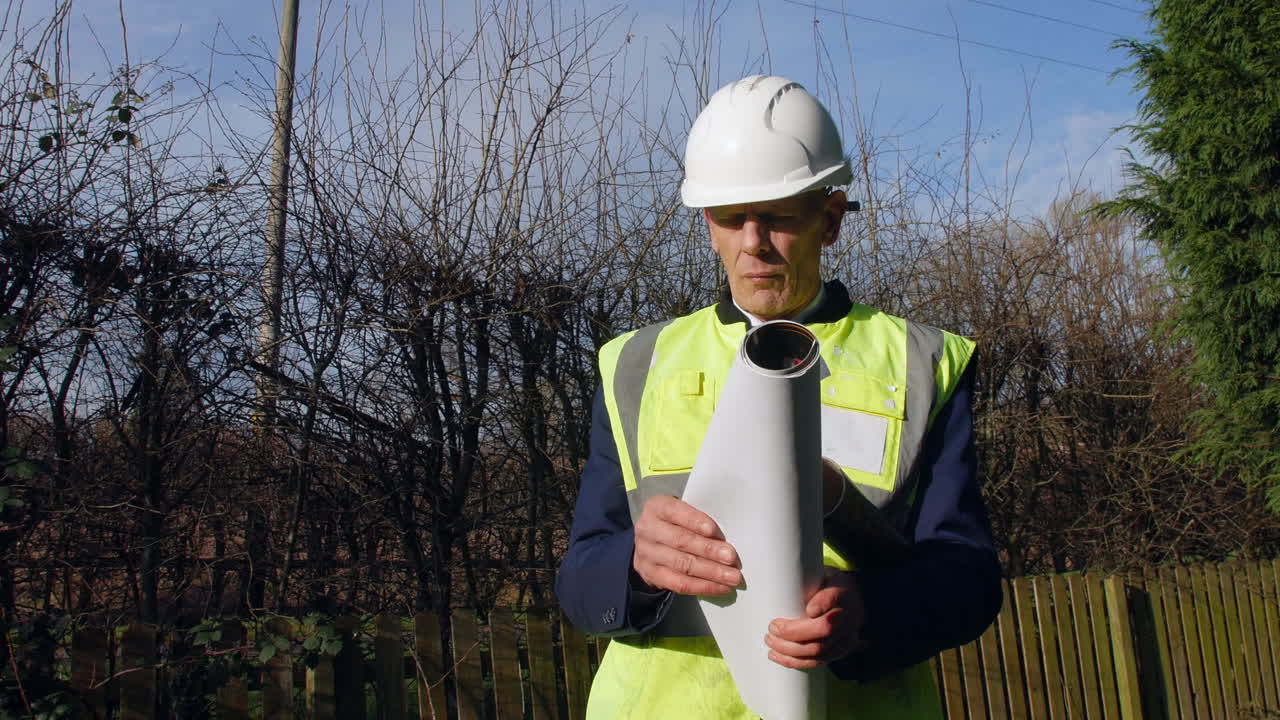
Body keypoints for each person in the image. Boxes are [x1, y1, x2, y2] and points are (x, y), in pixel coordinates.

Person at [555, 75, 1002, 718]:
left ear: (830, 217)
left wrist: (871, 613)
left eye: (779, 214)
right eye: (731, 217)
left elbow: (967, 578)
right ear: (707, 224)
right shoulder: (634, 364)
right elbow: (580, 576)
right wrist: (634, 565)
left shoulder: (923, 361)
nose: (753, 241)